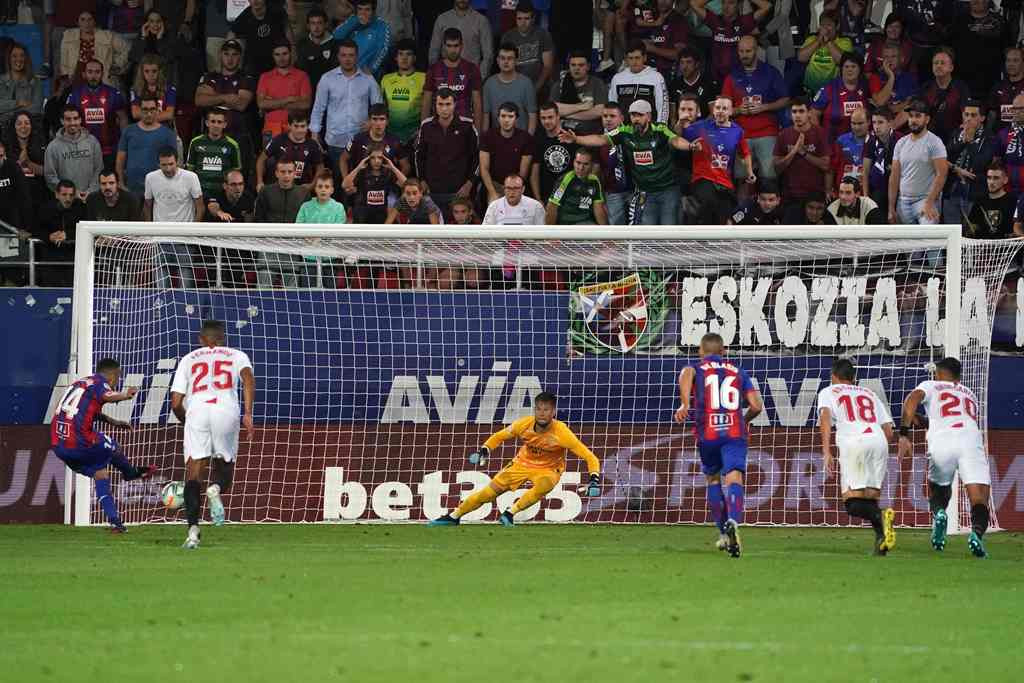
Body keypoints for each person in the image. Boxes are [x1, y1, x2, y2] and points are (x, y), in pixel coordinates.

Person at [429, 391, 601, 527]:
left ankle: (510, 513)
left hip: (548, 468)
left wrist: (594, 479)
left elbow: (589, 456)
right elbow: (499, 436)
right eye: (538, 409)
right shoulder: (523, 424)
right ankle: (454, 516)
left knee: (545, 484)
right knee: (488, 494)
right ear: (534, 410)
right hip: (521, 463)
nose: (542, 413)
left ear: (553, 412)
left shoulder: (562, 433)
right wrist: (485, 450)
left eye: (546, 409)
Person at [673, 332, 763, 557]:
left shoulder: (697, 368)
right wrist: (742, 421)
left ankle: (723, 534)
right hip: (734, 433)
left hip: (708, 434)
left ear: (700, 352)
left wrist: (684, 404)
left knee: (712, 478)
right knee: (734, 478)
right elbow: (756, 406)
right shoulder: (739, 372)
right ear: (724, 352)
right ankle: (733, 520)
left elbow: (687, 372)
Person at [170, 319, 256, 549]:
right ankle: (215, 489)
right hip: (225, 410)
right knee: (224, 467)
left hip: (197, 411)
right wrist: (247, 413)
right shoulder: (237, 355)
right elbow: (248, 378)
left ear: (201, 339)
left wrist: (186, 420)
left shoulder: (188, 359)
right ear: (223, 338)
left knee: (193, 473)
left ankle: (192, 533)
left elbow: (176, 402)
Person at [898, 357, 991, 558]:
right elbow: (954, 420)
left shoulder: (930, 385)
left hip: (942, 441)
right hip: (970, 439)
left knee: (938, 488)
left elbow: (911, 400)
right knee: (979, 497)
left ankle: (940, 512)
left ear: (939, 373)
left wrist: (904, 433)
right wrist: (924, 421)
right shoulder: (970, 394)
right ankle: (976, 534)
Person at [51, 358, 155, 533]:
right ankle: (130, 472)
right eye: (118, 378)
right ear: (113, 376)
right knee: (111, 444)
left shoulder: (81, 383)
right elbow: (108, 395)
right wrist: (124, 395)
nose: (117, 382)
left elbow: (80, 411)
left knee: (101, 474)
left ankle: (115, 522)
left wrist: (113, 421)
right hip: (78, 442)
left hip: (58, 444)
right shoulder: (100, 384)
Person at [566, 99, 700, 225]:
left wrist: (690, 146)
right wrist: (576, 139)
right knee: (648, 234)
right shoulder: (625, 132)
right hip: (646, 193)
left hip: (668, 190)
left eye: (639, 115)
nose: (635, 119)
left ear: (648, 116)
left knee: (668, 230)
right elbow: (601, 139)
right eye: (633, 115)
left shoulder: (660, 130)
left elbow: (675, 141)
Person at [817, 358, 896, 556]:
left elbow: (825, 418)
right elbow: (889, 430)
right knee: (870, 496)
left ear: (834, 376)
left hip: (855, 442)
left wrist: (827, 451)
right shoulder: (869, 393)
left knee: (852, 504)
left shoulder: (828, 391)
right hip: (879, 440)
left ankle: (881, 517)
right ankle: (881, 543)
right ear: (853, 378)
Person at [721, 36, 789, 194]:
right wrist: (738, 110)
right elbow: (722, 109)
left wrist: (765, 107)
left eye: (748, 51)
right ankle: (742, 216)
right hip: (741, 135)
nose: (744, 55)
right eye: (741, 51)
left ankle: (771, 214)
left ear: (756, 50)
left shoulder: (771, 72)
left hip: (767, 133)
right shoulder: (732, 76)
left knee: (769, 178)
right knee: (743, 181)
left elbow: (786, 100)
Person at [310, 40, 384, 173]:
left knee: (361, 181)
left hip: (361, 140)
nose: (347, 59)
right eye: (343, 55)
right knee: (338, 183)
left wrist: (372, 123)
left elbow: (378, 107)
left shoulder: (368, 79)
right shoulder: (327, 78)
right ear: (338, 56)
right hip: (335, 140)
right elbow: (318, 108)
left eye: (351, 55)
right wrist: (314, 135)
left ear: (357, 56)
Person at [682, 96, 752, 225]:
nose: (720, 111)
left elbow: (745, 153)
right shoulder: (701, 127)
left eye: (724, 108)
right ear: (713, 110)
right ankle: (701, 238)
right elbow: (680, 133)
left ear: (731, 112)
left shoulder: (737, 131)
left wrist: (750, 172)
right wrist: (680, 122)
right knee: (710, 202)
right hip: (703, 178)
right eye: (718, 108)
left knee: (724, 216)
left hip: (725, 182)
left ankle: (715, 243)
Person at [145, 148, 205, 287]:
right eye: (164, 165)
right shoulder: (151, 178)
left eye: (171, 164)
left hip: (184, 238)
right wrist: (149, 233)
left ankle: (186, 309)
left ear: (177, 162)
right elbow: (147, 206)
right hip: (160, 238)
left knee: (186, 284)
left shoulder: (191, 177)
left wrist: (192, 232)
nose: (168, 168)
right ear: (158, 164)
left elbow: (200, 207)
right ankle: (162, 309)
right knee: (161, 284)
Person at [414, 88, 479, 215]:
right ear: (435, 105)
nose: (444, 109)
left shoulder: (467, 126)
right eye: (440, 104)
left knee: (458, 232)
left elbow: (477, 158)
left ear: (455, 104)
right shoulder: (426, 126)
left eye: (448, 104)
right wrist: (421, 180)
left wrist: (469, 183)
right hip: (432, 190)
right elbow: (419, 156)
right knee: (433, 231)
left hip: (459, 191)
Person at [889, 100, 949, 225]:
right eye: (911, 116)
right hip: (903, 202)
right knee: (907, 244)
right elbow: (894, 176)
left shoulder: (934, 142)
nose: (913, 120)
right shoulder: (901, 143)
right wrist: (891, 207)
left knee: (928, 242)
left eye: (918, 116)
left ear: (927, 119)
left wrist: (929, 202)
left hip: (925, 201)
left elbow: (942, 174)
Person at [254, 159, 310, 287]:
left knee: (291, 288)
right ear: (276, 173)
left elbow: (307, 220)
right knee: (263, 287)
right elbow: (258, 219)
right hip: (268, 246)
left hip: (293, 246)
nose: (286, 175)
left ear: (295, 173)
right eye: (283, 171)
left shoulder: (303, 193)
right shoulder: (265, 191)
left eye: (290, 172)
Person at [194, 40, 256, 152]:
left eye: (234, 54)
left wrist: (213, 97)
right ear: (220, 55)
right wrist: (226, 98)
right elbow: (199, 100)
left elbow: (241, 104)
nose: (230, 59)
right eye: (226, 54)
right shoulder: (209, 77)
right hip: (211, 137)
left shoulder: (247, 79)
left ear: (240, 57)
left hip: (237, 136)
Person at [66, 59, 128, 168]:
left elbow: (123, 118)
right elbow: (68, 120)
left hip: (109, 150)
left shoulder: (113, 93)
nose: (93, 76)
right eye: (90, 72)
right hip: (83, 150)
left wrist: (123, 143)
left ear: (102, 74)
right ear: (84, 74)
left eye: (97, 72)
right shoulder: (75, 95)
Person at [774, 97, 831, 214]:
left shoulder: (820, 133)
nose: (797, 115)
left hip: (815, 196)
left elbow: (826, 165)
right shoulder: (783, 135)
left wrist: (803, 153)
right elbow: (777, 168)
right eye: (794, 112)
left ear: (809, 113)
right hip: (790, 196)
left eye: (801, 111)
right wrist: (794, 151)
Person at [690, 0, 769, 82]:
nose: (726, 7)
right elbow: (694, 4)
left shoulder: (744, 22)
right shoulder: (715, 20)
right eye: (723, 2)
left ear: (738, 5)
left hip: (738, 79)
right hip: (716, 78)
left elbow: (766, 6)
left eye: (731, 3)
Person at [945, 100, 995, 226]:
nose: (968, 119)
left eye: (973, 115)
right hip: (952, 187)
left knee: (970, 232)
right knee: (951, 231)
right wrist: (963, 142)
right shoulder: (956, 133)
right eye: (966, 114)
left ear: (982, 118)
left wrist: (971, 142)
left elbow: (981, 163)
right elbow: (945, 157)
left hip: (974, 190)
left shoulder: (989, 137)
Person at [422, 28, 484, 131]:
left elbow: (477, 103)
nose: (452, 50)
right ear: (443, 46)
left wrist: (477, 133)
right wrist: (423, 130)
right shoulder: (434, 69)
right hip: (438, 127)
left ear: (462, 46)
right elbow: (426, 103)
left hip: (464, 126)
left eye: (456, 46)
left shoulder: (472, 69)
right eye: (449, 46)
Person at [116, 95, 178, 195]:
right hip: (132, 189)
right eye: (145, 110)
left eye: (152, 109)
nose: (149, 113)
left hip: (159, 189)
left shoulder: (168, 134)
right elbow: (120, 159)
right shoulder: (128, 131)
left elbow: (175, 163)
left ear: (158, 110)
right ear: (139, 110)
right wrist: (121, 182)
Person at [949, 0, 1006, 100]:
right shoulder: (958, 21)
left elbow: (1007, 51)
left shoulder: (1000, 21)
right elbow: (949, 51)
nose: (977, 1)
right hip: (963, 83)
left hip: (992, 84)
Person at [44, 105, 104, 200]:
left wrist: (90, 191)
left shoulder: (92, 142)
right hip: (66, 201)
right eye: (68, 119)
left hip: (91, 197)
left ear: (80, 120)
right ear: (62, 121)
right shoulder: (53, 147)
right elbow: (50, 176)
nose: (72, 123)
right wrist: (71, 193)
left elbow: (99, 170)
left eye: (75, 118)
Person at [257, 109, 325, 192]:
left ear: (308, 127)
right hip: (279, 188)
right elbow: (261, 160)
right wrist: (260, 182)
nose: (299, 130)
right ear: (289, 125)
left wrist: (312, 185)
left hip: (302, 190)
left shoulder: (312, 145)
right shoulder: (278, 140)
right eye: (296, 126)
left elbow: (320, 167)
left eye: (303, 126)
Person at [257, 43, 313, 142]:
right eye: (277, 54)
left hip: (295, 128)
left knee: (296, 158)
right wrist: (289, 99)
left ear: (291, 54)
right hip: (271, 128)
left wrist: (272, 104)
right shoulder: (265, 77)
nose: (281, 58)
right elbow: (261, 104)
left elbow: (305, 104)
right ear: (273, 56)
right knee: (270, 158)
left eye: (284, 54)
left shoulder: (302, 76)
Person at [479, 101, 533, 204]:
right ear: (498, 118)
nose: (506, 120)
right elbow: (484, 169)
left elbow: (523, 173)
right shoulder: (487, 137)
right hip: (494, 184)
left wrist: (513, 190)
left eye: (510, 116)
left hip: (516, 185)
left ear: (516, 118)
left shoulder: (526, 138)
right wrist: (492, 192)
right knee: (493, 205)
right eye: (503, 116)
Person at [36, 180, 88, 286]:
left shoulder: (81, 208)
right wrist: (49, 236)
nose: (68, 199)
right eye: (64, 195)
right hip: (51, 259)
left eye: (71, 195)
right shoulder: (46, 209)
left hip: (74, 261)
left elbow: (87, 230)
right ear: (57, 194)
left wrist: (68, 235)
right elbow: (36, 229)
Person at [340, 104, 410, 182]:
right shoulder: (358, 139)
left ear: (387, 122)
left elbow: (406, 166)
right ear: (369, 121)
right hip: (361, 187)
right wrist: (346, 181)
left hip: (387, 187)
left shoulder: (394, 141)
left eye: (382, 119)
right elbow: (343, 159)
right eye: (374, 119)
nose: (378, 123)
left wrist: (398, 184)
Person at [59, 9, 129, 87]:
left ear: (94, 21)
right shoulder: (68, 35)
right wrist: (65, 79)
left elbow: (127, 48)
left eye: (90, 19)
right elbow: (64, 61)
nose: (86, 23)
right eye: (82, 19)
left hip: (101, 77)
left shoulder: (107, 35)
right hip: (77, 77)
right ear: (78, 22)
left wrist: (116, 64)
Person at [342, 143, 407, 223]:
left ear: (384, 159)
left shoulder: (388, 173)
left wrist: (393, 167)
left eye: (380, 158)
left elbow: (406, 184)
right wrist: (358, 167)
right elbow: (344, 185)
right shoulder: (362, 172)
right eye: (373, 158)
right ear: (368, 159)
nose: (377, 161)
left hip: (382, 216)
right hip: (363, 216)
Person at [428, 0, 494, 79]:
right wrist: (437, 76)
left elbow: (488, 54)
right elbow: (434, 51)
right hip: (446, 77)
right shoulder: (442, 19)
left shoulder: (482, 21)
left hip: (471, 77)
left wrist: (479, 78)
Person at [500, 1, 555, 96]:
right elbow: (505, 65)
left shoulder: (543, 34)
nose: (523, 22)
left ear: (533, 19)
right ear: (515, 18)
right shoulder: (507, 37)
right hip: (515, 85)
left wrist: (535, 88)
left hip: (540, 85)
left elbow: (547, 66)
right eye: (519, 18)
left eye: (527, 18)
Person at [918, 47, 971, 145]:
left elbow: (966, 113)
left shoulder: (960, 87)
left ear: (951, 67)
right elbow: (916, 112)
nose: (938, 66)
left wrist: (965, 131)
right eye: (936, 63)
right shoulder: (926, 87)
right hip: (929, 140)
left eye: (942, 63)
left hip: (953, 139)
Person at [608, 40, 669, 124]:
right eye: (631, 58)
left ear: (644, 58)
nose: (634, 62)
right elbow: (612, 105)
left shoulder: (656, 77)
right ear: (626, 59)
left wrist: (661, 127)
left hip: (648, 129)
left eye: (637, 58)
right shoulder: (617, 78)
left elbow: (662, 106)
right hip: (623, 129)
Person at [549, 49, 608, 136]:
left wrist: (566, 113)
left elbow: (599, 111)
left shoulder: (597, 83)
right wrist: (582, 106)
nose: (577, 68)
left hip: (590, 133)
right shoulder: (560, 84)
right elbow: (552, 110)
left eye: (581, 65)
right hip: (564, 133)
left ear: (588, 66)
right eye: (573, 65)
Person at [186, 108, 243, 197]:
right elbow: (190, 170)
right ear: (207, 123)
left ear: (224, 125)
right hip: (199, 193)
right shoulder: (195, 142)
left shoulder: (232, 145)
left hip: (222, 195)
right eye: (213, 121)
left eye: (219, 122)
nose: (216, 125)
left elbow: (235, 173)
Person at [482, 43, 537, 134]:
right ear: (497, 60)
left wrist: (528, 141)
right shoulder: (489, 84)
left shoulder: (526, 83)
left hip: (521, 139)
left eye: (510, 58)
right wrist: (485, 141)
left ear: (516, 61)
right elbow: (485, 116)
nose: (506, 62)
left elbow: (532, 116)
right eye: (502, 58)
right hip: (497, 139)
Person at [229, 0, 292, 77]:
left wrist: (292, 47)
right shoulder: (245, 16)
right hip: (254, 64)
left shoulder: (276, 11)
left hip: (276, 60)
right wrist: (229, 47)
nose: (255, 1)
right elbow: (232, 33)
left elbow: (287, 28)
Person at [381, 39, 426, 146]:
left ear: (414, 58)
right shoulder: (386, 79)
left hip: (414, 137)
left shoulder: (424, 78)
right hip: (390, 137)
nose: (404, 58)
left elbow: (430, 108)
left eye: (408, 54)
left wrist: (421, 132)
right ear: (395, 58)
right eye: (401, 54)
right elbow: (381, 109)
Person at [797, 12, 853, 97]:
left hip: (833, 92)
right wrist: (818, 41)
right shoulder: (812, 39)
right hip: (810, 91)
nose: (825, 29)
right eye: (823, 25)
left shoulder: (844, 42)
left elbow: (843, 61)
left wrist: (828, 42)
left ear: (837, 26)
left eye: (829, 25)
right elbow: (801, 57)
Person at [546, 148, 607, 225]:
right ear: (573, 162)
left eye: (586, 164)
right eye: (578, 163)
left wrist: (606, 233)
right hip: (566, 225)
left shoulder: (594, 181)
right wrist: (551, 234)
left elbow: (598, 209)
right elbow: (552, 206)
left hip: (586, 222)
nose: (581, 168)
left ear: (591, 165)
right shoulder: (566, 179)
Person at [333, 0, 392, 78]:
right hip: (348, 72)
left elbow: (383, 51)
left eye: (367, 10)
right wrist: (356, 21)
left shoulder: (382, 25)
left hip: (369, 74)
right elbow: (336, 35)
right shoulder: (353, 20)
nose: (363, 13)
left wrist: (371, 69)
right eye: (360, 9)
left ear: (373, 11)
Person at [531, 102, 576, 203]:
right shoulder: (538, 140)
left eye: (550, 117)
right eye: (543, 118)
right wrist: (538, 199)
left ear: (558, 116)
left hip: (571, 195)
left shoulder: (570, 136)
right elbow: (534, 173)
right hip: (547, 196)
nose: (546, 121)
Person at [597, 102, 632, 225]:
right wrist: (601, 197)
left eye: (612, 116)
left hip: (634, 190)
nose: (608, 119)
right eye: (605, 116)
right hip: (612, 192)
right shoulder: (598, 140)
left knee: (639, 227)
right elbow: (598, 170)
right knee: (616, 230)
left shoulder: (630, 134)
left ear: (621, 118)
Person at [669, 48, 719, 126]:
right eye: (682, 63)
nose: (684, 67)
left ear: (697, 64)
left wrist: (697, 129)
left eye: (689, 62)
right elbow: (673, 117)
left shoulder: (708, 83)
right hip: (681, 129)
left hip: (703, 130)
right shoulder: (674, 85)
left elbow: (713, 114)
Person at [964, 163, 1016, 238]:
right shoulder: (980, 200)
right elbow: (972, 225)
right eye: (989, 178)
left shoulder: (1013, 201)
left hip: (1006, 247)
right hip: (982, 246)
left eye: (996, 178)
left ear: (1005, 180)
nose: (991, 182)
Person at [863, 107, 899, 212]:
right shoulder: (870, 141)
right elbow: (865, 171)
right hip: (878, 189)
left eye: (880, 122)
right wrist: (865, 197)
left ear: (890, 123)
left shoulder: (901, 140)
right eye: (874, 122)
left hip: (898, 189)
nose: (876, 127)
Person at [0, 43, 44, 127]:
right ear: (9, 59)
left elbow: (36, 108)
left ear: (26, 59)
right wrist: (18, 103)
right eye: (14, 56)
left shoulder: (35, 82)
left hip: (26, 127)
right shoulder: (1, 81)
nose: (19, 59)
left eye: (22, 56)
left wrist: (7, 113)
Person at [296, 8, 337, 93]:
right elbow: (300, 70)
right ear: (308, 26)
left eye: (319, 23)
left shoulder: (335, 44)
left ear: (326, 24)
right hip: (307, 91)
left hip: (331, 91)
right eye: (313, 23)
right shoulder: (302, 44)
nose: (316, 27)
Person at [129, 53, 176, 124]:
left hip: (163, 129)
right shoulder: (135, 89)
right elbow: (135, 113)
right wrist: (159, 116)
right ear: (142, 72)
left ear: (160, 72)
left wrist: (146, 117)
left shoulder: (169, 89)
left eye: (154, 71)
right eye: (147, 71)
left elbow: (169, 114)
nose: (150, 75)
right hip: (143, 129)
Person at [831, 107, 869, 190]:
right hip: (844, 190)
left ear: (869, 122)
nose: (857, 127)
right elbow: (832, 168)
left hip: (867, 190)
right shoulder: (841, 141)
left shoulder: (875, 141)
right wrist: (829, 188)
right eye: (853, 123)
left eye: (860, 123)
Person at [989, 48, 1024, 134]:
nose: (1011, 64)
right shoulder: (998, 86)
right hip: (1000, 137)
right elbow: (991, 113)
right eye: (1008, 60)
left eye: (1015, 60)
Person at [998, 94, 1024, 195]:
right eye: (1014, 109)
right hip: (1008, 191)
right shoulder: (1003, 134)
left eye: (1021, 109)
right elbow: (997, 161)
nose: (1017, 112)